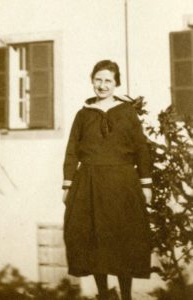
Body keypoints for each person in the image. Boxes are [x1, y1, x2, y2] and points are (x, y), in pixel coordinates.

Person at [62, 60, 152, 300]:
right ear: (92, 80)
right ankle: (103, 293)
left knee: (124, 238)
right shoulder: (82, 115)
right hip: (89, 183)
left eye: (108, 81)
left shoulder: (127, 112)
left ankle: (126, 295)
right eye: (98, 80)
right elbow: (72, 150)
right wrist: (67, 184)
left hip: (122, 183)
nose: (102, 85)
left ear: (116, 84)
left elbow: (141, 149)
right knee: (92, 239)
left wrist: (146, 184)